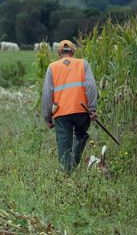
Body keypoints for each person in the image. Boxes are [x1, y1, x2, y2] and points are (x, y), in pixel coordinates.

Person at [41, 40, 97, 174]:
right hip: (82, 111)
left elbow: (47, 93)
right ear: (73, 51)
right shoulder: (83, 64)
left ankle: (67, 172)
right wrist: (92, 109)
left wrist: (47, 117)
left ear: (59, 52)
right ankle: (73, 164)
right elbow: (91, 87)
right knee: (81, 135)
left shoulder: (52, 67)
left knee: (64, 142)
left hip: (61, 113)